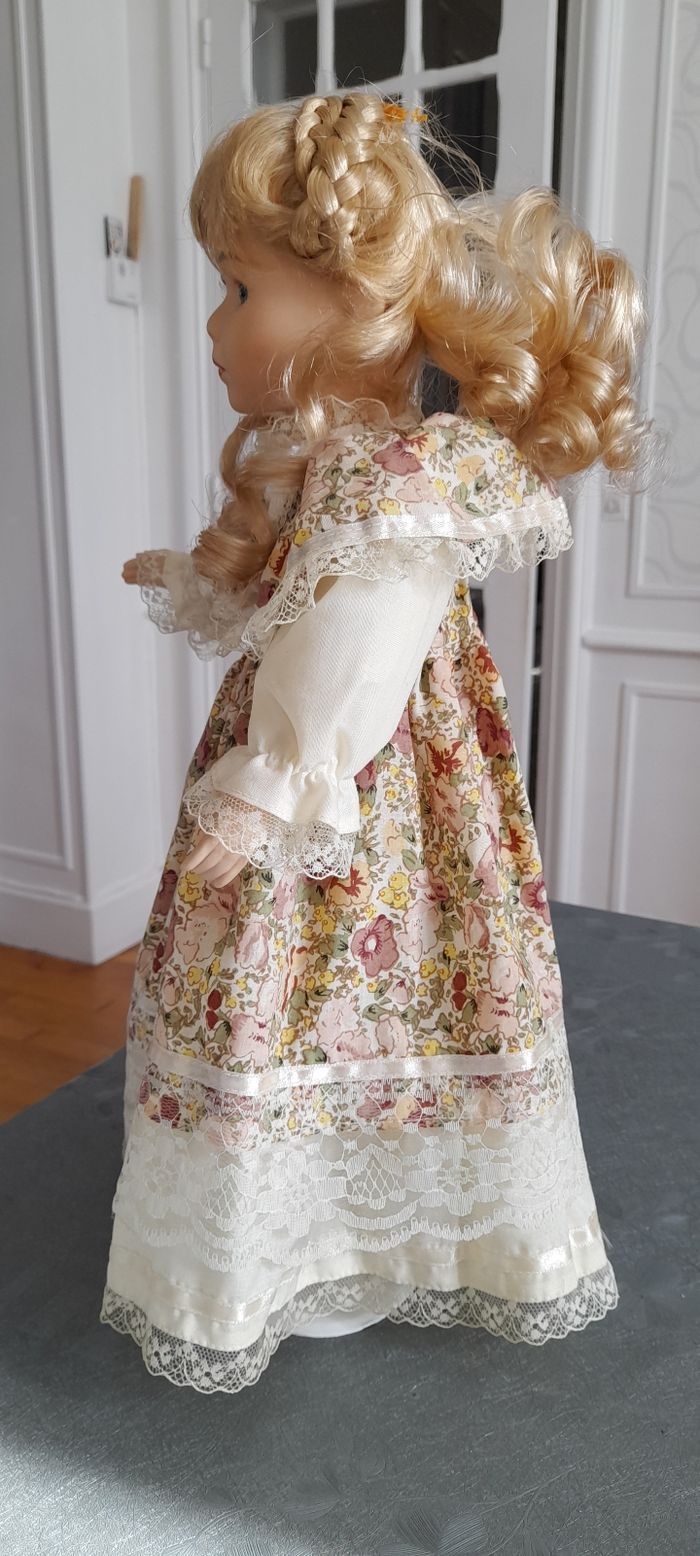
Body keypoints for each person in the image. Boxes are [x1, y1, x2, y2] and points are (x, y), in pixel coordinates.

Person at [102, 90, 655, 1389]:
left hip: (352, 792)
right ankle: (312, 1223)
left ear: (349, 303)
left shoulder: (396, 481)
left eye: (241, 289)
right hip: (329, 779)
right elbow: (290, 604)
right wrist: (192, 577)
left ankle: (357, 1225)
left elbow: (357, 643)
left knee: (321, 980)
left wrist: (277, 784)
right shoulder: (339, 466)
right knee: (331, 994)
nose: (215, 323)